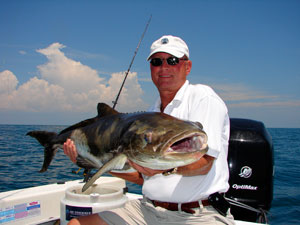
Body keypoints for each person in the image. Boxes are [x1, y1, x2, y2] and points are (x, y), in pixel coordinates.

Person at [64, 35, 234, 225]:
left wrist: (165, 169)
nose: (164, 67)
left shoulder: (203, 97)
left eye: (172, 60)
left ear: (188, 67)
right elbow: (143, 176)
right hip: (147, 209)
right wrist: (92, 163)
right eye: (156, 62)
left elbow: (205, 162)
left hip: (199, 214)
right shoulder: (151, 113)